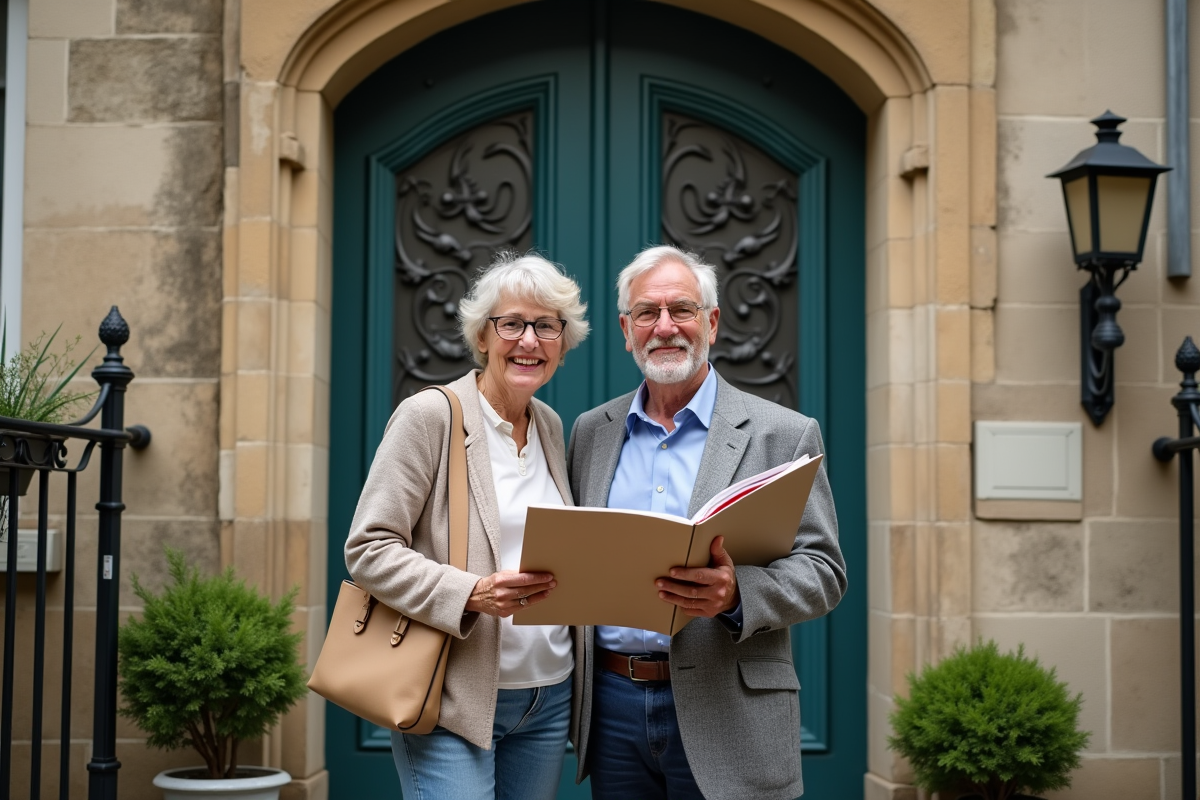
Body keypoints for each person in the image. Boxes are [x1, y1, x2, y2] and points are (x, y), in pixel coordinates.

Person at [567, 245, 847, 800]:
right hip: (612, 708)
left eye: (682, 310)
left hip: (732, 709)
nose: (665, 327)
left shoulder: (782, 434)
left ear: (711, 322)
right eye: (647, 313)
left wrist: (736, 593)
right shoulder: (590, 432)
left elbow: (824, 572)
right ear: (627, 330)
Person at [344, 252, 590, 800]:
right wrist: (471, 592)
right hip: (451, 691)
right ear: (483, 335)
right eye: (512, 324)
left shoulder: (550, 426)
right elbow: (368, 548)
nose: (529, 340)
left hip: (546, 699)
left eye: (546, 326)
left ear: (562, 343)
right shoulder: (430, 416)